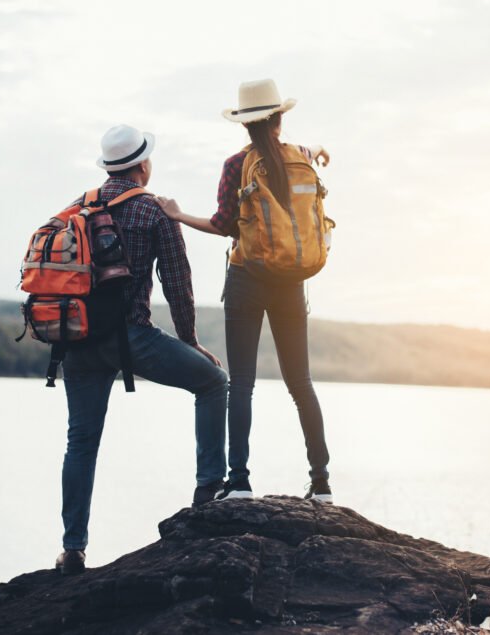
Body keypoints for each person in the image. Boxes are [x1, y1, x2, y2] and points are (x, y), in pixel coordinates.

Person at [55, 124, 229, 576]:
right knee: (214, 382)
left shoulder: (82, 204)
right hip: (131, 338)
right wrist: (190, 340)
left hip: (77, 342)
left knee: (81, 443)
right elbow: (177, 284)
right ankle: (209, 489)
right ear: (142, 166)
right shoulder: (152, 211)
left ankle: (73, 549)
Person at [156, 79, 333, 504]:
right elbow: (309, 153)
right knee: (301, 383)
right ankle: (322, 483)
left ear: (245, 124)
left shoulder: (237, 165)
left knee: (242, 383)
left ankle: (239, 482)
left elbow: (222, 225)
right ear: (280, 118)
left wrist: (178, 214)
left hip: (247, 277)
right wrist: (318, 148)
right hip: (292, 280)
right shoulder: (302, 158)